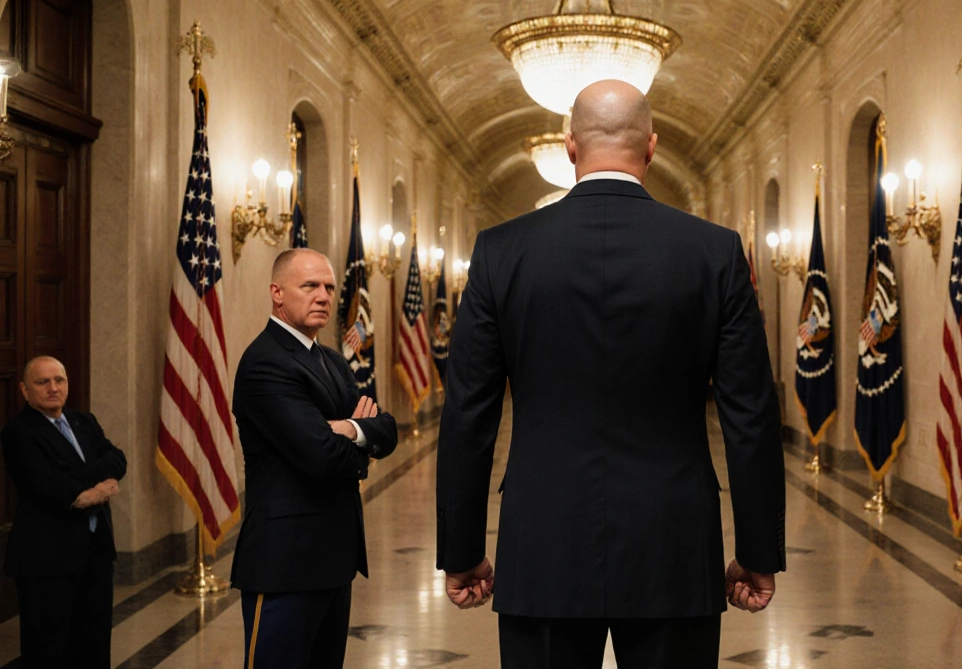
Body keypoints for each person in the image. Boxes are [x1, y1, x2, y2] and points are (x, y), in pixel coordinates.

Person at [436, 80, 786, 668]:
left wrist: (462, 551)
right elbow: (750, 416)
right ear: (652, 147)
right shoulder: (714, 252)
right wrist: (757, 552)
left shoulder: (502, 251)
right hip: (673, 544)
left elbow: (469, 412)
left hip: (542, 541)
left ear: (569, 145)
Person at [231, 248, 398, 669]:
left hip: (334, 558)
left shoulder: (333, 361)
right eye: (309, 286)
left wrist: (348, 428)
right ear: (277, 293)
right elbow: (318, 455)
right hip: (284, 563)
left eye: (328, 286)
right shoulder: (264, 362)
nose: (323, 296)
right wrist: (359, 440)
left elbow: (388, 429)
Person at [2, 356, 127, 669]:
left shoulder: (84, 421)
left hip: (96, 554)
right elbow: (49, 486)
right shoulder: (18, 432)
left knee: (95, 643)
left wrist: (83, 485)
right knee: (51, 652)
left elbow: (118, 459)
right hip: (47, 560)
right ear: (24, 390)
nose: (53, 388)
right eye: (42, 382)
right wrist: (97, 483)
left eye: (59, 380)